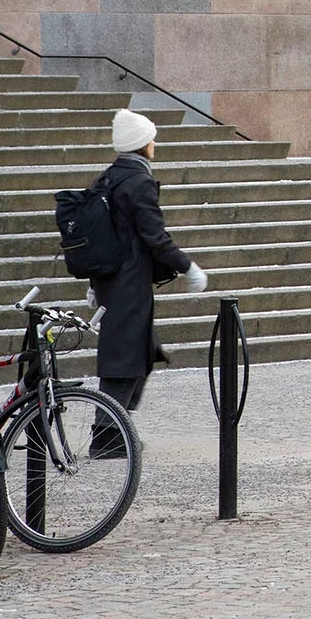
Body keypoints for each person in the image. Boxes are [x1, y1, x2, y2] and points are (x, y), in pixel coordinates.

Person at [92, 109, 209, 429]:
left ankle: (115, 427)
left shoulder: (108, 177)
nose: (155, 142)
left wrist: (95, 282)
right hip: (128, 283)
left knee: (141, 352)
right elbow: (155, 237)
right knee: (125, 360)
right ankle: (107, 434)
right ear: (141, 144)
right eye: (150, 138)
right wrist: (189, 267)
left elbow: (101, 235)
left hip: (114, 280)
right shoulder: (137, 182)